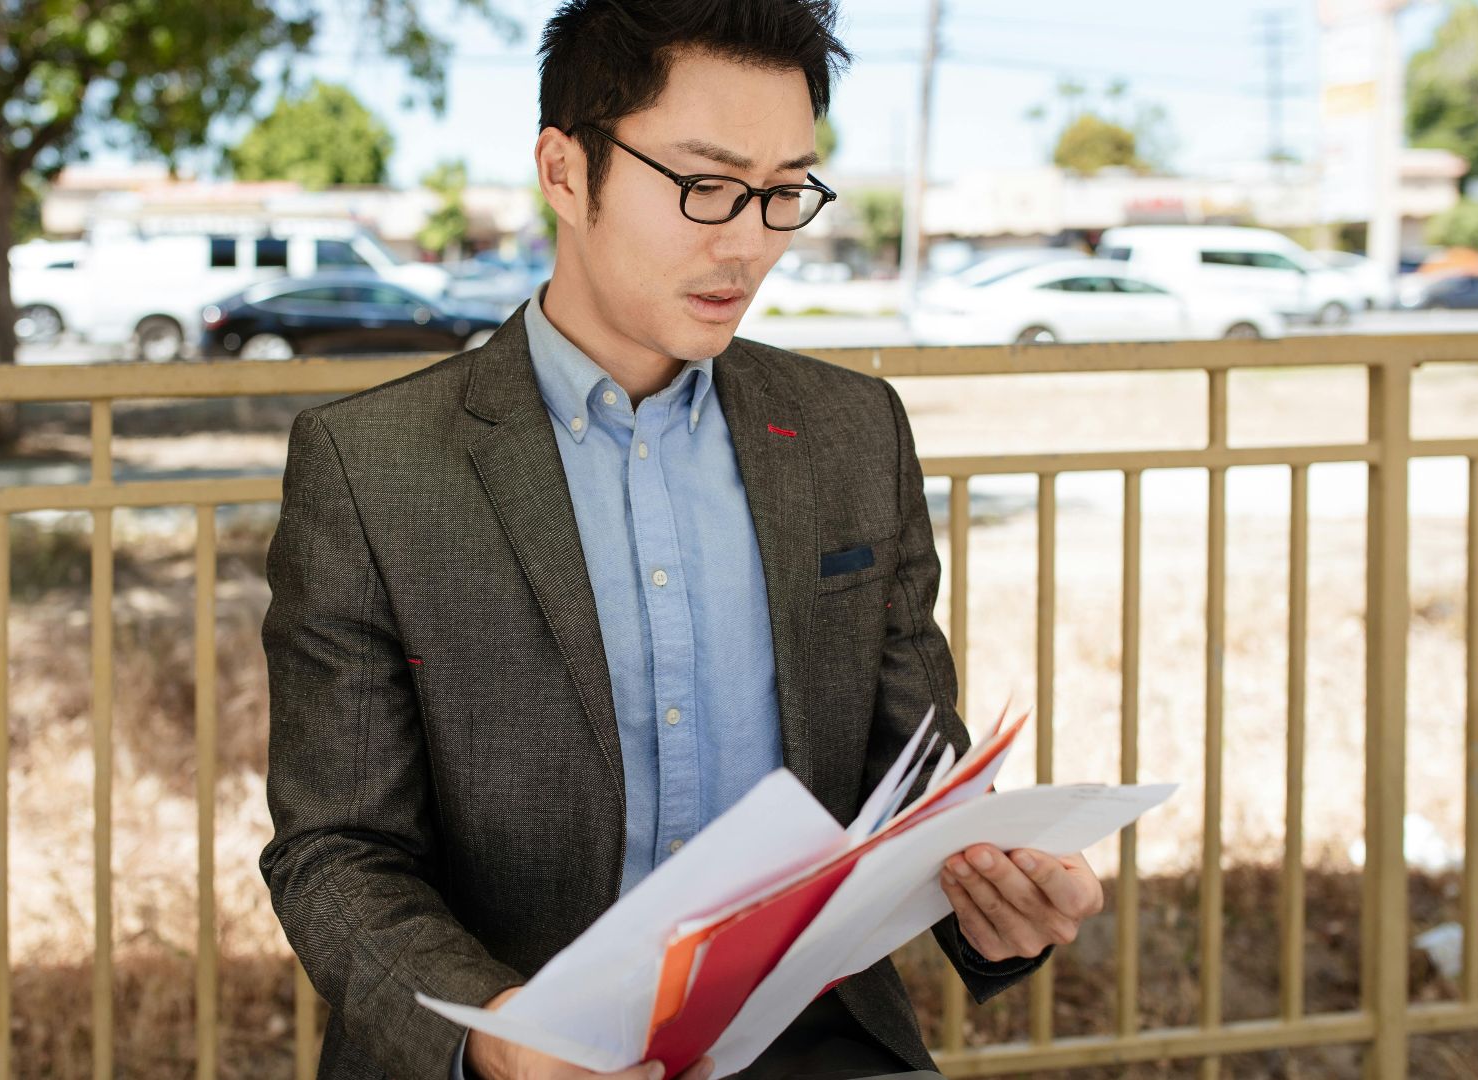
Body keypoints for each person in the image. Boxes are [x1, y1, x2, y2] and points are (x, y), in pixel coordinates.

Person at [258, 3, 1105, 1078]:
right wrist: (502, 1037)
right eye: (704, 185)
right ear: (565, 174)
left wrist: (999, 890)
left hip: (811, 1041)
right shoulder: (374, 464)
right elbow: (336, 847)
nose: (748, 240)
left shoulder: (849, 435)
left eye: (785, 190)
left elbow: (916, 775)